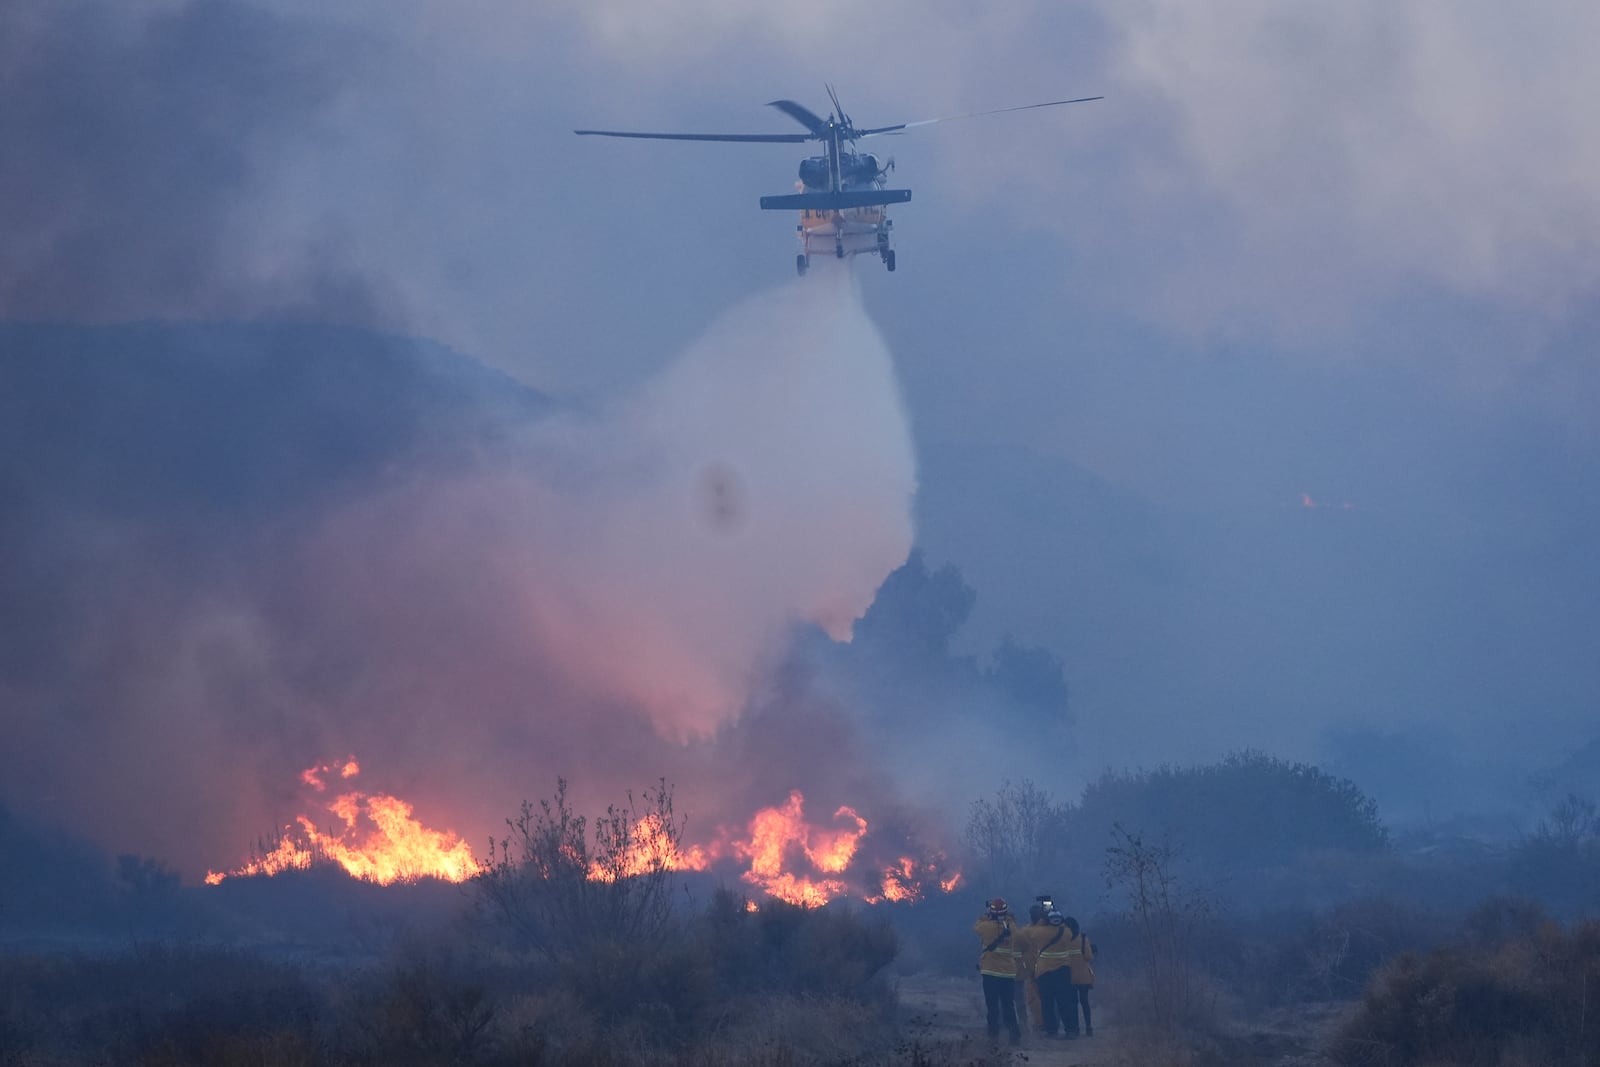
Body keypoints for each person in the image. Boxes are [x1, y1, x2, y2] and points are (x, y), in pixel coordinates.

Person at [1017, 907, 1077, 1038]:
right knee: (1064, 1002)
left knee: (1047, 1002)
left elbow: (1028, 933)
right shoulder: (1066, 932)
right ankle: (1070, 1030)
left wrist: (1041, 921)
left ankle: (1051, 1030)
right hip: (1063, 970)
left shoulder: (1039, 932)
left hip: (1045, 972)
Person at [973, 897, 1024, 1044]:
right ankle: (1015, 1037)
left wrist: (986, 914)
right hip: (1007, 973)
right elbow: (1018, 933)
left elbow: (976, 926)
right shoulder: (1012, 927)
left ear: (992, 912)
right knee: (1008, 1005)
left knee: (992, 1006)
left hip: (989, 972)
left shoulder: (985, 926)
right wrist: (1009, 919)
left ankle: (993, 1036)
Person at [1062, 916, 1096, 1037]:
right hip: (1083, 976)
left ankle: (1075, 1028)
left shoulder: (1063, 940)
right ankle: (1088, 1027)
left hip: (1069, 977)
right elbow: (1088, 956)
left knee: (1072, 1003)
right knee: (1084, 1002)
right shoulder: (1082, 938)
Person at [1019, 903, 1047, 1031]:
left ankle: (1040, 1023)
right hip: (1047, 968)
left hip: (1031, 969)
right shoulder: (1048, 929)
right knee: (1047, 997)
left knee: (1033, 998)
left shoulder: (1025, 931)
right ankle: (1048, 1022)